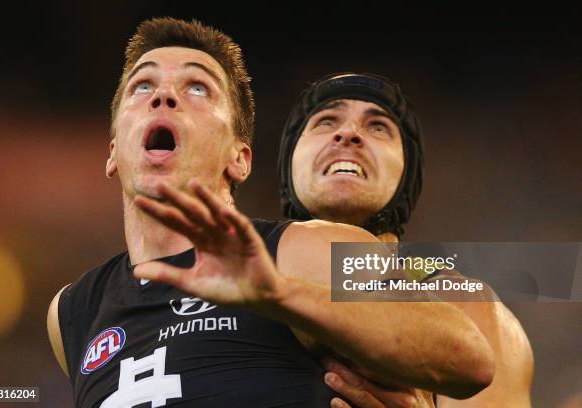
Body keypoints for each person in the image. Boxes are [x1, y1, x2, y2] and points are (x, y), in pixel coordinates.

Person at [47, 18, 494, 407]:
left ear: (238, 158)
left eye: (198, 87)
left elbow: (467, 355)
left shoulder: (304, 249)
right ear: (112, 152)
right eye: (142, 86)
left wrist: (278, 295)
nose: (163, 96)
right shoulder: (72, 312)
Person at [277, 72, 535, 407]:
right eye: (326, 121)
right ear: (289, 164)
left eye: (378, 127)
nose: (348, 133)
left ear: (405, 178)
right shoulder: (219, 291)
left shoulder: (465, 306)